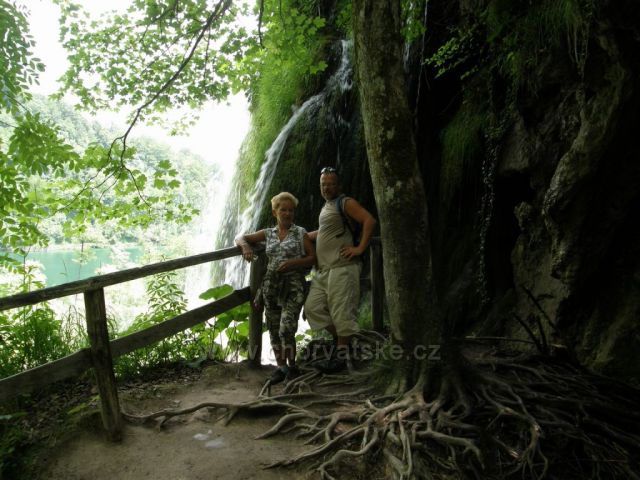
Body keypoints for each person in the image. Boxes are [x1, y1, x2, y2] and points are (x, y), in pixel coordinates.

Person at [235, 192, 315, 384]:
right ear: (275, 212)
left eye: (291, 210)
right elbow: (240, 237)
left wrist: (293, 263)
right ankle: (281, 368)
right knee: (273, 328)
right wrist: (246, 247)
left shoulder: (300, 233)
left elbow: (312, 258)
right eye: (283, 210)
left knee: (286, 328)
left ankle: (293, 367)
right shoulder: (268, 233)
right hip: (271, 287)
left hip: (294, 287)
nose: (287, 213)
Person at [304, 167, 377, 373]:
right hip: (324, 271)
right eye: (323, 184)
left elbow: (369, 220)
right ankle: (342, 342)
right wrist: (301, 236)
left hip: (342, 268)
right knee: (312, 308)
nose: (326, 188)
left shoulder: (345, 202)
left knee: (342, 313)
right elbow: (325, 231)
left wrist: (359, 248)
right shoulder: (327, 206)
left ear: (339, 186)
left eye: (331, 184)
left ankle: (341, 358)